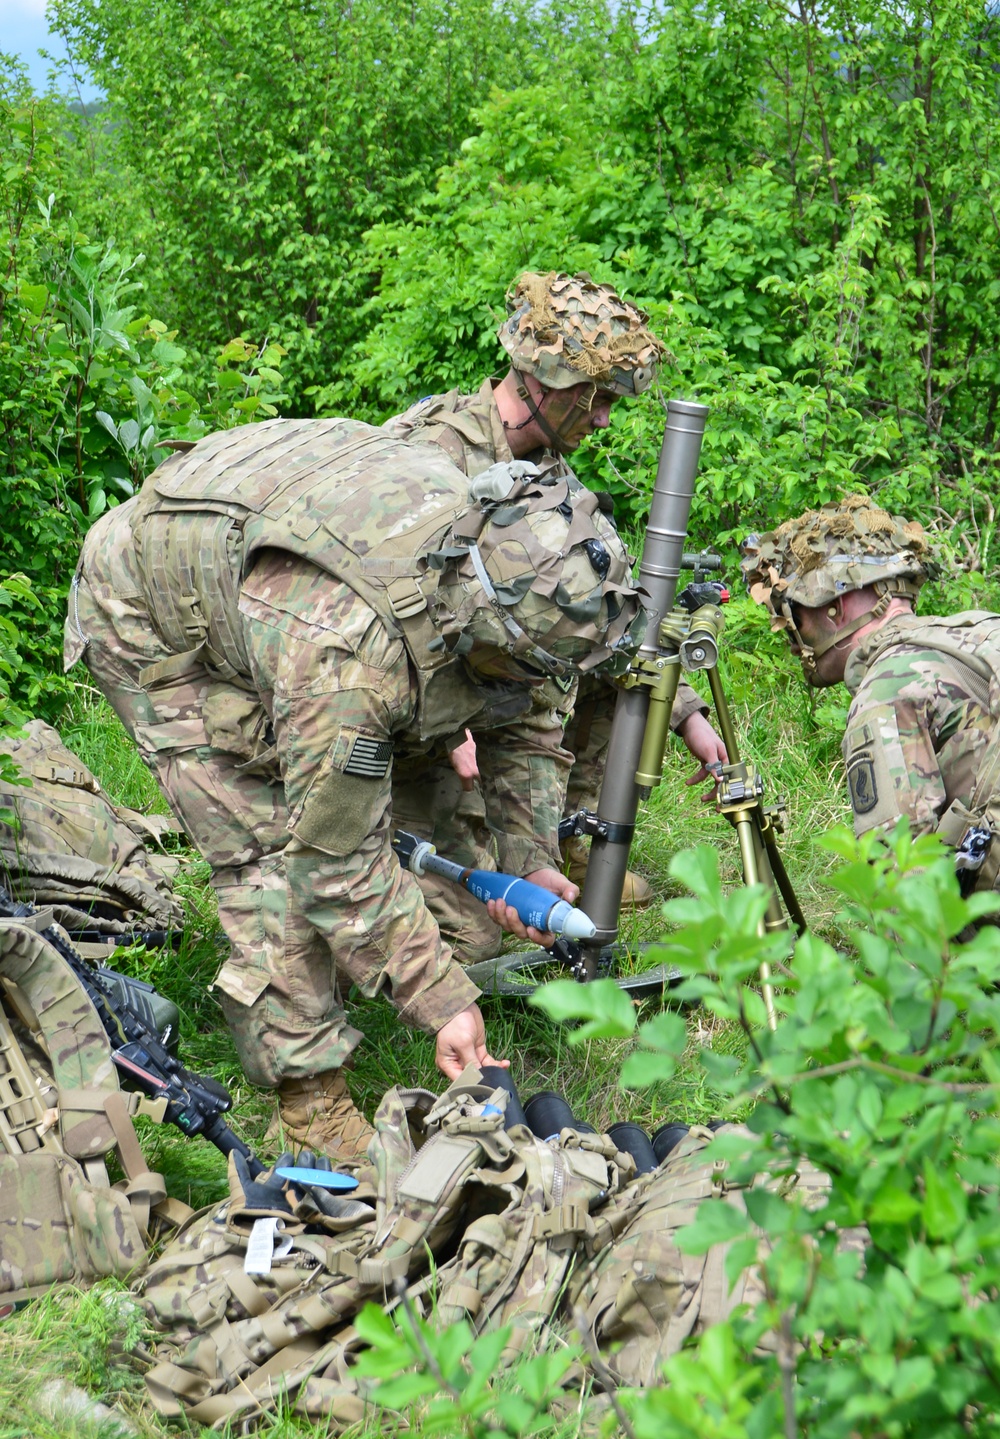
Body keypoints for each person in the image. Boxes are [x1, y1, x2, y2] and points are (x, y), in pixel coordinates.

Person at [64, 418, 642, 1156]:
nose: (540, 681)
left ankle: (363, 963)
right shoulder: (351, 657)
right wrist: (439, 1000)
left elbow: (525, 714)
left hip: (284, 565)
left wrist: (529, 857)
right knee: (270, 850)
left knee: (443, 915)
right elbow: (328, 860)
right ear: (478, 624)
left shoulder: (531, 580)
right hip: (155, 609)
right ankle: (308, 1104)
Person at [386, 271, 728, 911]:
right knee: (475, 937)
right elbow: (373, 612)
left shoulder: (548, 470)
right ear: (542, 381)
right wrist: (444, 725)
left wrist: (687, 715)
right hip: (406, 711)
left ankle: (568, 833)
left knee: (590, 655)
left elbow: (603, 617)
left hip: (502, 702)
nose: (602, 419)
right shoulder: (428, 458)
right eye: (594, 399)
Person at [740, 493, 1000, 872]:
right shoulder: (981, 629)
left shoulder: (884, 693)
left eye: (793, 617)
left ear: (835, 607)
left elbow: (904, 885)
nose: (793, 644)